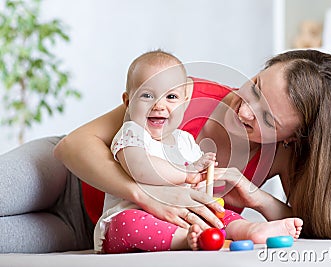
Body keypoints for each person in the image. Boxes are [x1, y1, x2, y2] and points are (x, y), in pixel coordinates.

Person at [0, 49, 331, 253]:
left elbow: (309, 223)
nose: (244, 107)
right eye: (254, 86)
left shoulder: (281, 156)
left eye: (266, 116)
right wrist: (147, 194)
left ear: (293, 139)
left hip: (92, 230)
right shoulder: (184, 91)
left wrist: (257, 198)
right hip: (63, 176)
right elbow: (74, 146)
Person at [95, 50, 302, 253]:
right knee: (128, 224)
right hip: (133, 213)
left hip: (182, 215)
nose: (159, 105)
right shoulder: (131, 133)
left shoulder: (184, 140)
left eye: (171, 97)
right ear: (128, 102)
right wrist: (188, 174)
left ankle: (250, 230)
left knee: (219, 212)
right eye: (147, 96)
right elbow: (140, 168)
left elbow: (201, 185)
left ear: (185, 102)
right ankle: (187, 240)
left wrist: (207, 177)